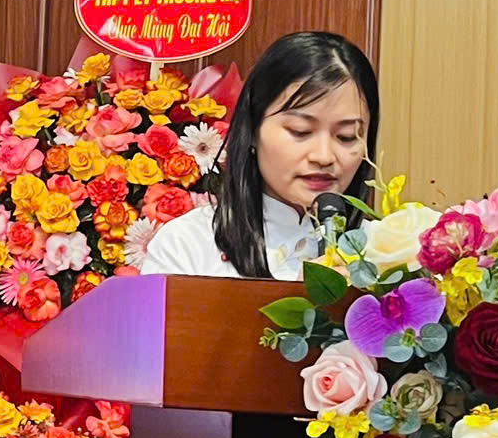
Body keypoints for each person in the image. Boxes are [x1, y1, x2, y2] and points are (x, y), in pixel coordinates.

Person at [141, 31, 380, 280]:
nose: (324, 156)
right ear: (253, 128)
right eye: (300, 131)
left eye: (346, 136)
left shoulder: (386, 252)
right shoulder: (189, 245)